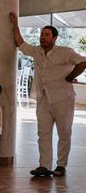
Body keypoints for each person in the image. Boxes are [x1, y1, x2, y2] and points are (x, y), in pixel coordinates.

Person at [9, 13, 86, 177]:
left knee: (64, 132)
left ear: (55, 38)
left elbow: (83, 62)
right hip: (43, 98)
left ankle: (61, 166)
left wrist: (70, 77)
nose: (42, 37)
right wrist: (15, 25)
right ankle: (44, 165)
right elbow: (20, 43)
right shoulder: (37, 51)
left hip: (62, 98)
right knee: (43, 133)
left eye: (46, 35)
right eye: (41, 34)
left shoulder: (65, 52)